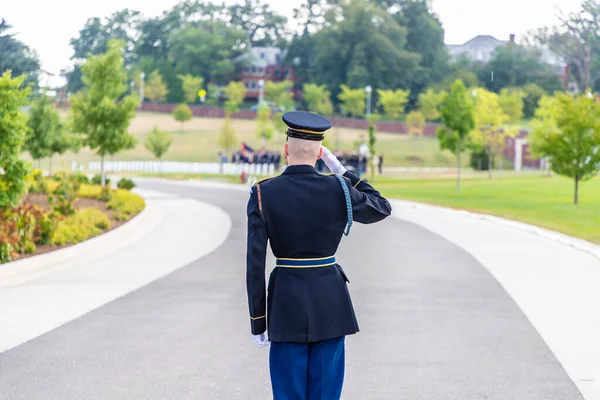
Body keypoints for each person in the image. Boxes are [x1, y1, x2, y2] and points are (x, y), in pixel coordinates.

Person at [246, 111, 392, 400]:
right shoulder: (339, 188)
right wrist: (343, 171)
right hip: (330, 304)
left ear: (286, 149)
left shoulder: (263, 193)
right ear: (320, 154)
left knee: (288, 394)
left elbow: (255, 264)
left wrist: (257, 320)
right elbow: (381, 207)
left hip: (286, 304)